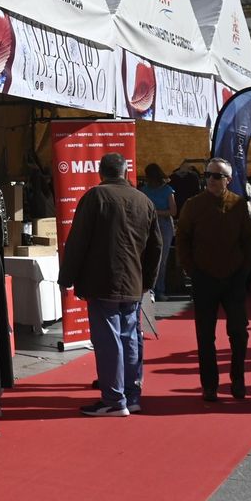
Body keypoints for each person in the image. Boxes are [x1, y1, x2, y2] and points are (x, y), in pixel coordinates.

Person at [59, 151, 162, 416]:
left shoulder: (96, 197)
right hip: (132, 282)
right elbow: (156, 247)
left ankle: (114, 399)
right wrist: (146, 281)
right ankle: (130, 394)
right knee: (129, 337)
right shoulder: (143, 200)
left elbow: (78, 241)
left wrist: (67, 277)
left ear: (101, 173)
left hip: (103, 279)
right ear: (126, 171)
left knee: (109, 340)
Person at [176, 158, 251, 401]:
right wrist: (192, 270)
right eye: (208, 174)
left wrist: (244, 274)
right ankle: (209, 385)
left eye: (217, 176)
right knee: (205, 335)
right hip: (204, 278)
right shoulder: (193, 205)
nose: (211, 179)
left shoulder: (239, 204)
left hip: (233, 278)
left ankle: (238, 380)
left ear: (228, 180)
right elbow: (183, 241)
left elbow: (247, 243)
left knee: (239, 332)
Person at [139, 163, 177, 298]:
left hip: (163, 225)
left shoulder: (167, 190)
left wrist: (155, 212)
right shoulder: (144, 190)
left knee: (161, 259)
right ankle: (151, 289)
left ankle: (159, 289)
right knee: (150, 257)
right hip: (149, 225)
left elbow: (173, 211)